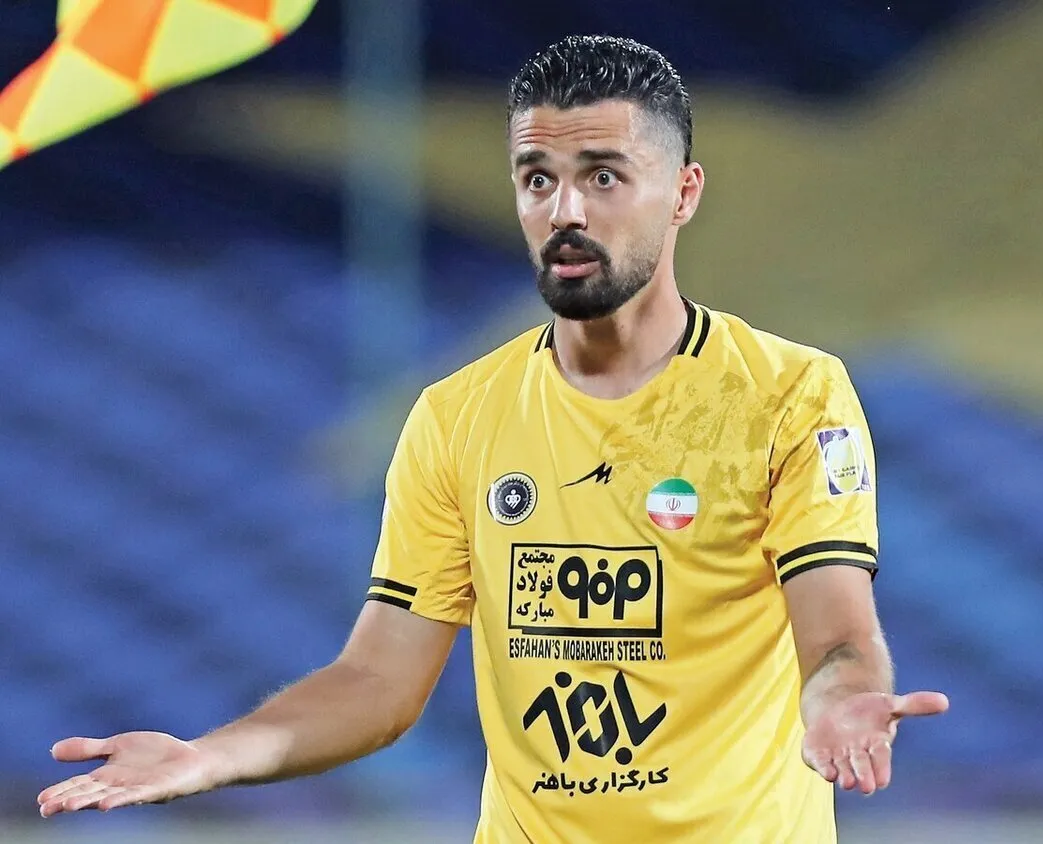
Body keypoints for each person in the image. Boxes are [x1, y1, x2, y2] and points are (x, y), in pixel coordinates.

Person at [36, 35, 949, 842]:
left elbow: (838, 633)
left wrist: (843, 698)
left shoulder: (789, 394)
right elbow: (378, 683)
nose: (566, 212)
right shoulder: (459, 414)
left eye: (603, 176)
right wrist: (209, 757)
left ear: (683, 193)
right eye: (537, 178)